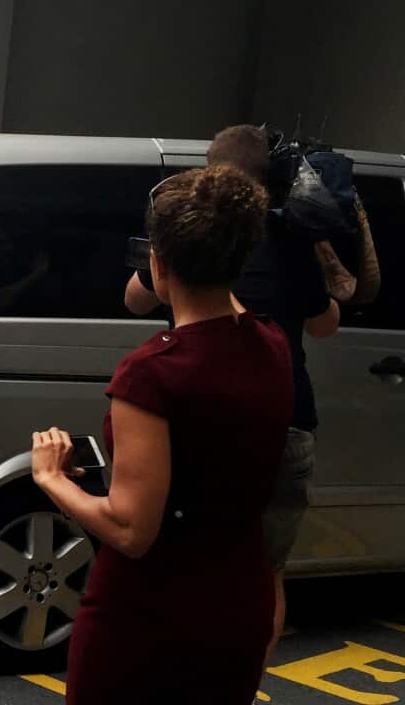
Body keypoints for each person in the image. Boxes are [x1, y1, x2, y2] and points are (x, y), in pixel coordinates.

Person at [33, 166, 293, 703]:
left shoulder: (153, 373)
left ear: (158, 263)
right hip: (237, 604)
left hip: (150, 619)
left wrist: (53, 478)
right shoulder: (272, 345)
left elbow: (131, 530)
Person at [123, 125, 340, 663]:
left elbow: (133, 301)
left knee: (185, 563)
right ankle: (240, 684)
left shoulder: (187, 232)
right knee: (266, 575)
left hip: (195, 419)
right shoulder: (291, 235)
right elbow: (325, 323)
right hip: (283, 421)